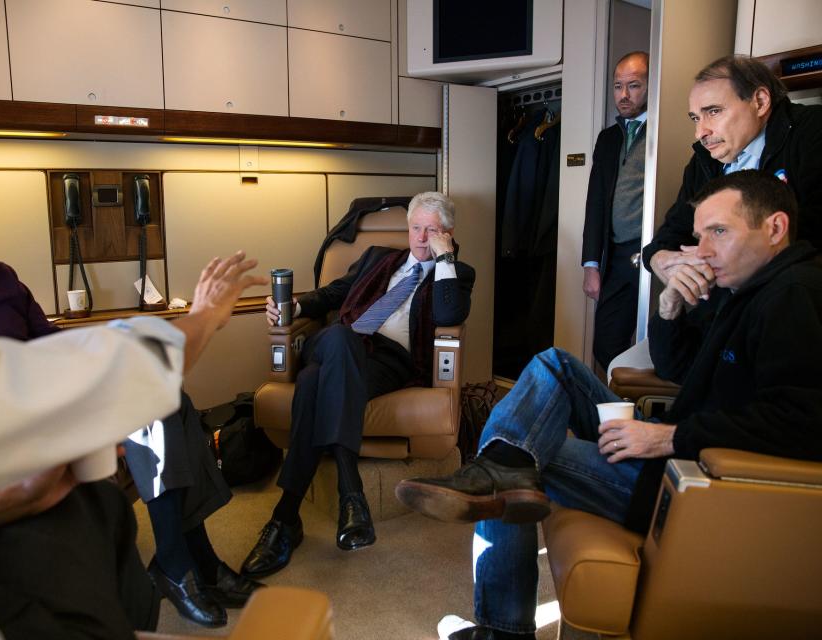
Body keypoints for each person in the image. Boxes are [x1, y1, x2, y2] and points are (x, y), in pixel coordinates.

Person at [396, 171, 822, 640]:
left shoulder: (793, 295)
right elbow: (678, 366)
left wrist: (668, 436)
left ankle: (502, 624)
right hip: (674, 453)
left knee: (523, 462)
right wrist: (670, 308)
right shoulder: (746, 290)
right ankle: (500, 471)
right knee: (553, 365)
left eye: (719, 232)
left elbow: (803, 420)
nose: (701, 251)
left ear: (776, 228)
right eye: (699, 236)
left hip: (685, 482)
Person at [0, 169, 269, 637]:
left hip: (40, 404)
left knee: (164, 403)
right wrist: (202, 319)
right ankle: (186, 564)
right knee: (147, 409)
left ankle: (184, 564)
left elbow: (48, 343)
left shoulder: (0, 277)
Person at [239, 191, 475, 578]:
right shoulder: (379, 258)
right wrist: (292, 308)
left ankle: (284, 519)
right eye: (415, 228)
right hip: (342, 343)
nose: (420, 237)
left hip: (390, 362)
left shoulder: (457, 273)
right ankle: (352, 496)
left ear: (446, 233)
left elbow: (449, 312)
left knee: (314, 380)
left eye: (431, 230)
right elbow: (335, 293)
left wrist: (444, 257)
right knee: (339, 337)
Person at [642, 54, 822, 286]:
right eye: (695, 118)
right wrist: (659, 259)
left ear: (760, 101)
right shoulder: (704, 160)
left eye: (714, 112)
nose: (700, 132)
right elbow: (675, 230)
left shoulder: (813, 133)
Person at [581, 51, 650, 370]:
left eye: (634, 86)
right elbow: (595, 201)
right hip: (616, 256)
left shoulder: (664, 131)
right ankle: (617, 410)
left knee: (655, 342)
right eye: (617, 86)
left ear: (651, 85)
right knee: (605, 342)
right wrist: (591, 265)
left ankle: (640, 415)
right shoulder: (608, 138)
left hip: (652, 252)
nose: (623, 95)